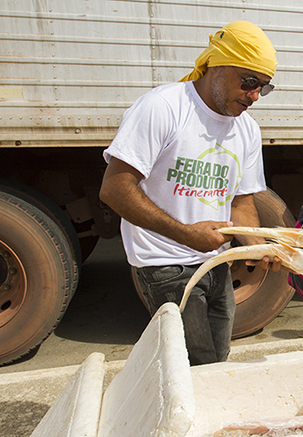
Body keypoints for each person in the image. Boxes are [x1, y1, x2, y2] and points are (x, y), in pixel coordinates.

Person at [99, 21, 282, 365]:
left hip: (216, 263)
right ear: (217, 65)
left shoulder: (247, 130)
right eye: (249, 82)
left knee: (218, 358)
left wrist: (259, 247)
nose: (255, 96)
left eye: (264, 87)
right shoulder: (163, 107)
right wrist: (185, 234)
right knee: (195, 366)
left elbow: (241, 203)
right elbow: (114, 189)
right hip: (165, 263)